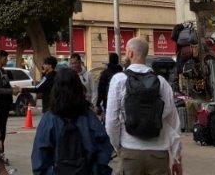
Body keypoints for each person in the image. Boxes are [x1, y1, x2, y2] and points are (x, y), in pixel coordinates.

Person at [105, 38, 182, 175]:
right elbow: (173, 122)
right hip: (159, 153)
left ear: (130, 53)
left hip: (130, 151)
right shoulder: (161, 82)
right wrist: (177, 157)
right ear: (145, 55)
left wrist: (118, 147)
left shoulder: (119, 80)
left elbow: (111, 121)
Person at [31, 68, 113, 175]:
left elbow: (39, 156)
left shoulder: (49, 118)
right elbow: (104, 146)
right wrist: (96, 169)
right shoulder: (88, 116)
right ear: (78, 88)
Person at [0, 50, 15, 143]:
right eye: (5, 58)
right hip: (0, 104)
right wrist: (11, 91)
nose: (6, 61)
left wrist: (12, 89)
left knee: (3, 129)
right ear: (0, 58)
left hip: (5, 104)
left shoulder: (3, 70)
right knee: (1, 130)